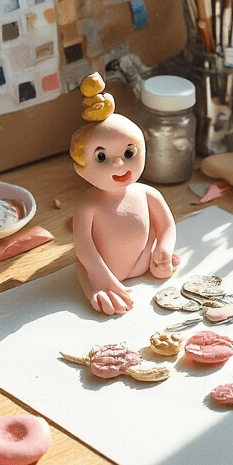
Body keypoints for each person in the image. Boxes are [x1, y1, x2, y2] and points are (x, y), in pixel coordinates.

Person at [70, 74, 179, 315]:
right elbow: (84, 250)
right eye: (101, 157)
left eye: (129, 153)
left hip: (144, 262)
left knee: (163, 269)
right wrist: (103, 281)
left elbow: (167, 227)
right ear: (80, 166)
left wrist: (163, 249)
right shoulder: (89, 205)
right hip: (102, 272)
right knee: (101, 296)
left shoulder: (147, 193)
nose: (119, 163)